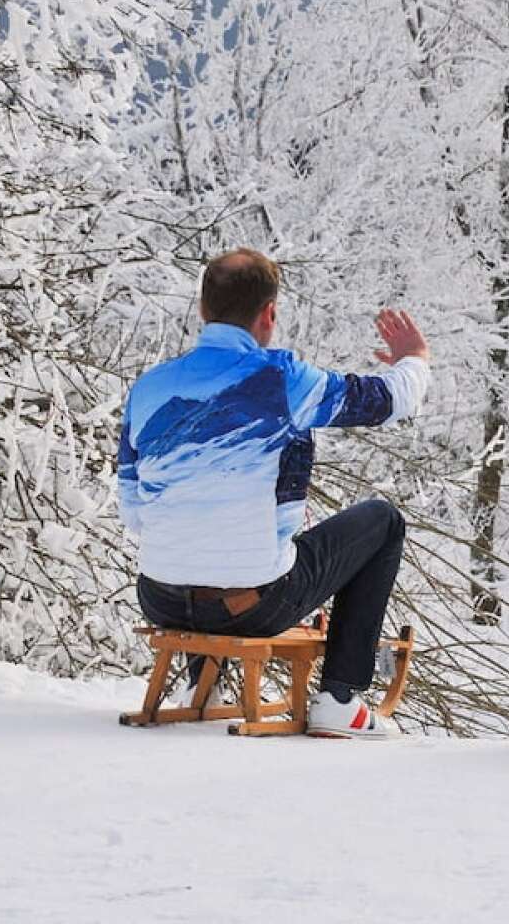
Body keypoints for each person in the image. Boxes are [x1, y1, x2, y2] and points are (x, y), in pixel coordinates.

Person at [117, 249, 430, 738]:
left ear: (203, 309)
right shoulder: (282, 381)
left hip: (160, 598)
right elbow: (384, 401)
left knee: (197, 517)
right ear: (269, 314)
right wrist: (415, 360)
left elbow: (134, 510)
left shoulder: (148, 389)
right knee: (382, 520)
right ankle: (340, 699)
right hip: (256, 605)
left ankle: (203, 683)